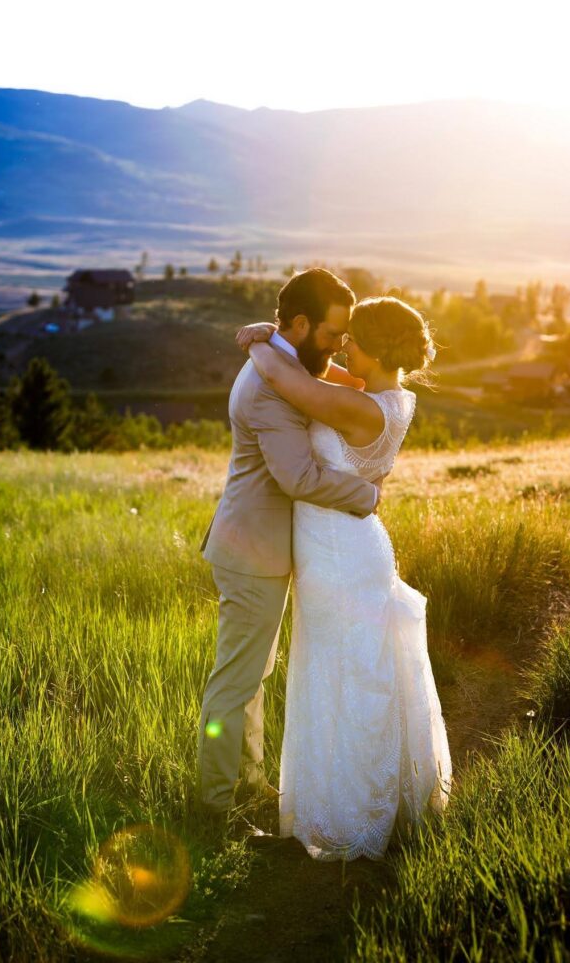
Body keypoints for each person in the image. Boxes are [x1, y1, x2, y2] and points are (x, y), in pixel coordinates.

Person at [236, 294, 452, 861]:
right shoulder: (385, 397)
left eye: (352, 338)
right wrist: (276, 336)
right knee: (344, 671)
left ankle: (349, 814)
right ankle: (355, 800)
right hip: (344, 548)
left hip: (338, 554)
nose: (342, 345)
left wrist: (261, 340)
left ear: (375, 348)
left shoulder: (363, 409)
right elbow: (318, 373)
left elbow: (292, 380)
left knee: (344, 675)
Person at [198, 269, 381, 828]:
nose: (336, 347)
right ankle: (215, 808)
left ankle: (247, 784)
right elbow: (298, 477)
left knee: (253, 676)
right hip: (252, 552)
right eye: (330, 335)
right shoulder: (268, 388)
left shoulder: (280, 359)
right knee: (235, 683)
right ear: (299, 325)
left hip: (258, 548)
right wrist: (366, 494)